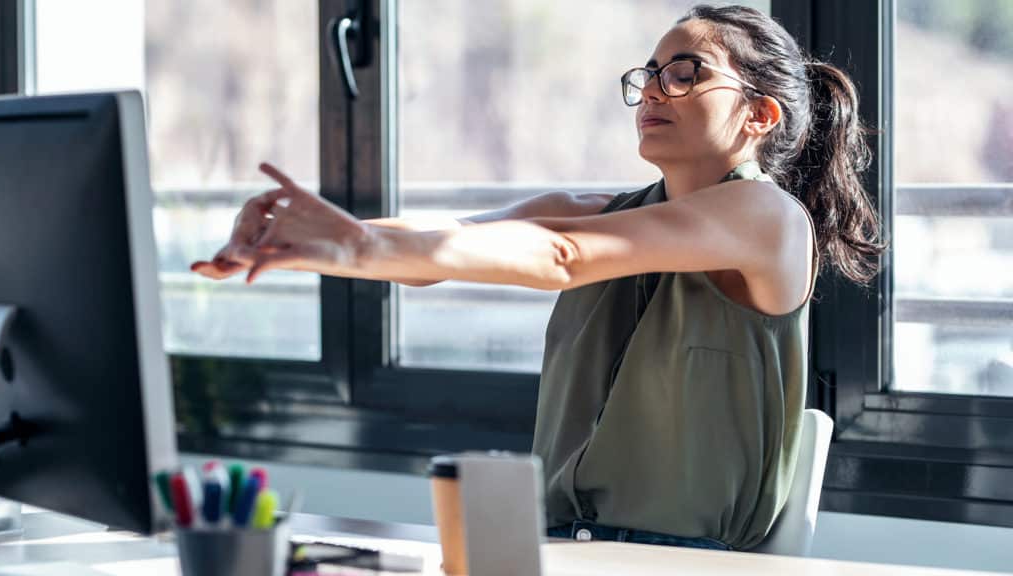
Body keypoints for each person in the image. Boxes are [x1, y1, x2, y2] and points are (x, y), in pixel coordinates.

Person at [192, 4, 884, 552]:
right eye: (648, 74)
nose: (653, 89)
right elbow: (450, 242)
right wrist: (315, 241)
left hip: (683, 559)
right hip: (558, 547)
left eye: (685, 73)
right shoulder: (600, 213)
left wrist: (355, 244)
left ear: (760, 114)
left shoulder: (767, 217)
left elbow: (562, 255)